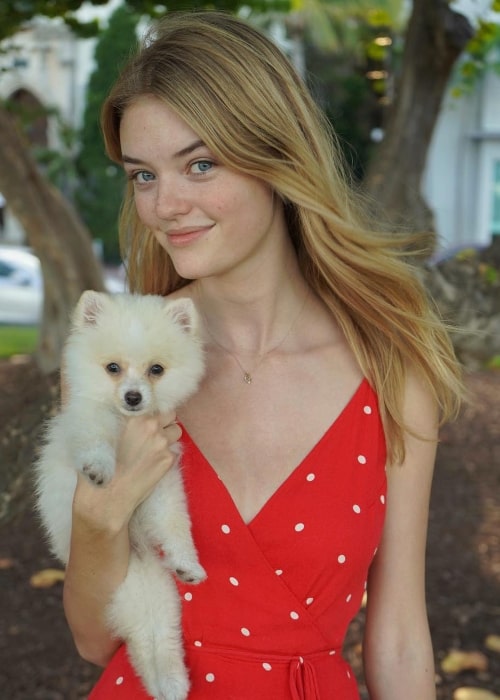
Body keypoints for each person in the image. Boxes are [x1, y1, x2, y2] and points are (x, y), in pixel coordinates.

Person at [62, 11, 464, 700]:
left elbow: (397, 635)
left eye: (200, 164)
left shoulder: (391, 373)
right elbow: (95, 640)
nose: (166, 206)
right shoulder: (122, 369)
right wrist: (98, 521)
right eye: (143, 175)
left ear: (278, 157)